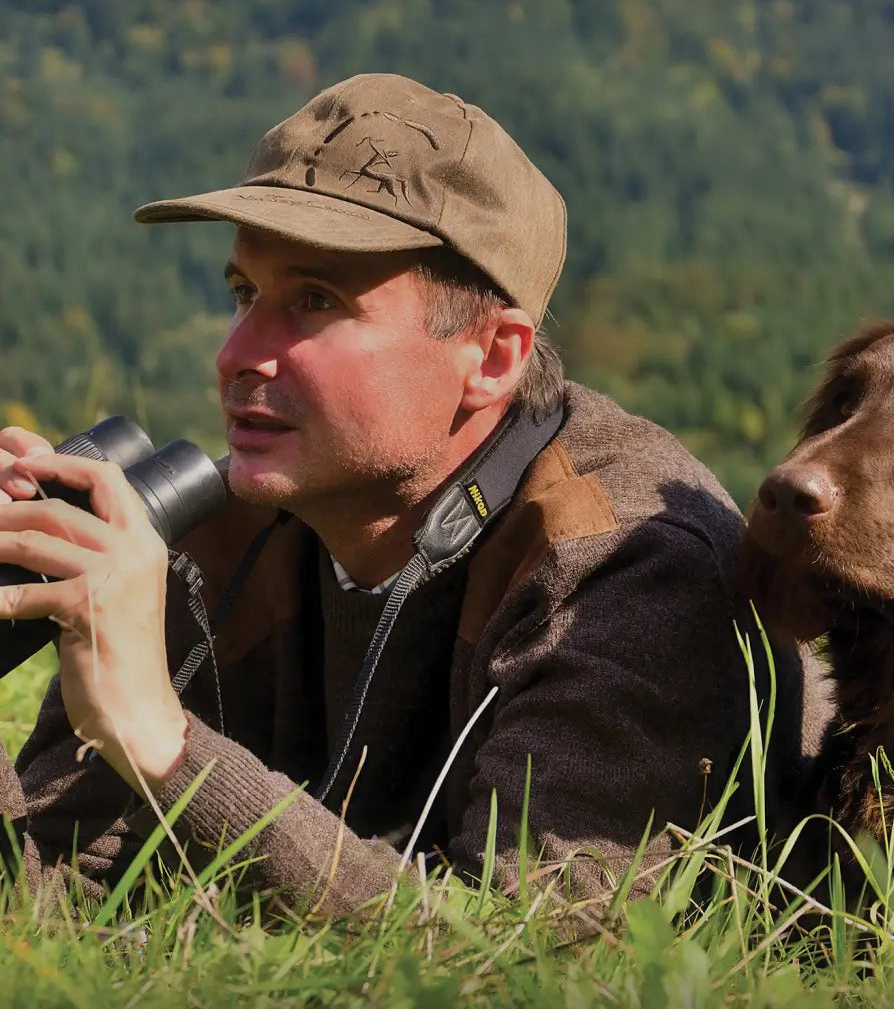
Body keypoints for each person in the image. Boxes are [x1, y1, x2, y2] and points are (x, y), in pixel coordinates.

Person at [0, 73, 825, 918]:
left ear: (494, 357)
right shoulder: (211, 539)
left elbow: (527, 951)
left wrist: (162, 741)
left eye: (315, 301)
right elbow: (44, 896)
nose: (237, 352)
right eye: (244, 293)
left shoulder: (628, 572)